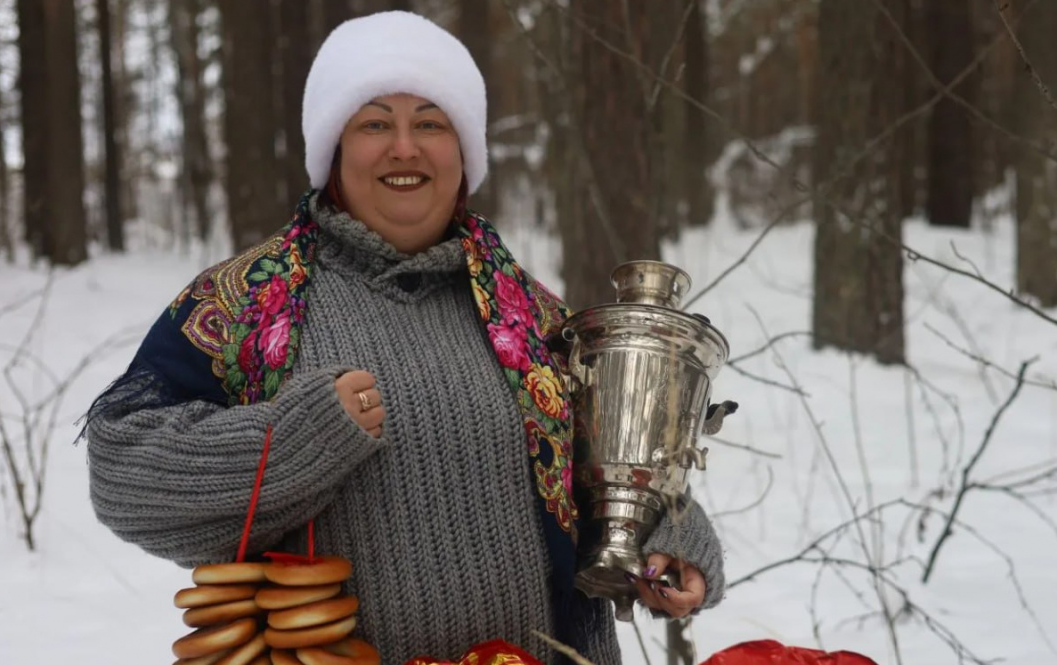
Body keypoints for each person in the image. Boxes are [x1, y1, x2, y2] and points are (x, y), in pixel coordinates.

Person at [83, 11, 725, 665]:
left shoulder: (532, 318)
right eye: (373, 123)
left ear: (463, 152)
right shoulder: (249, 303)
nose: (404, 148)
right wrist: (292, 442)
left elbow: (605, 470)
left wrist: (670, 540)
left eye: (430, 123)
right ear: (333, 149)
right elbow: (121, 471)